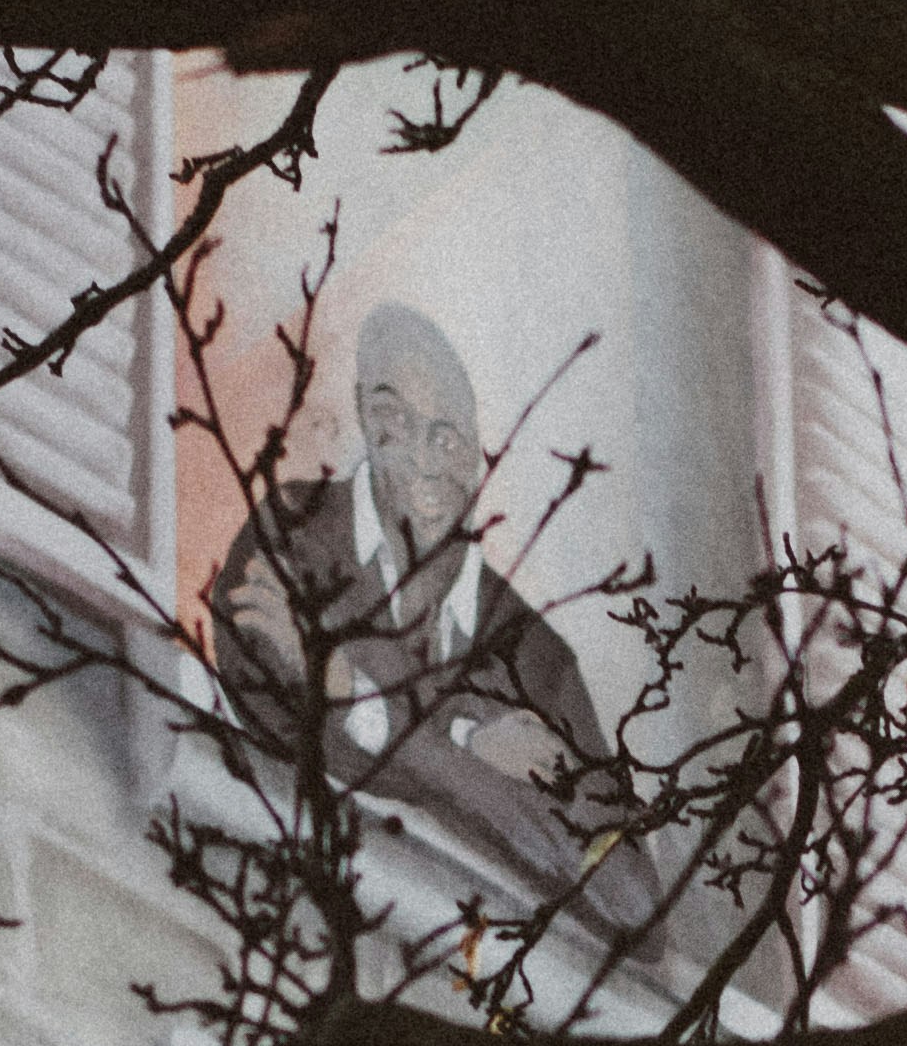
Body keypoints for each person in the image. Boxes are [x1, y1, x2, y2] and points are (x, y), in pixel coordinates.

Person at [203, 302, 620, 890]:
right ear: (363, 418)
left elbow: (628, 896)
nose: (425, 458)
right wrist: (474, 753)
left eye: (448, 437)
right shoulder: (291, 538)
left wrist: (355, 698)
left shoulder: (538, 659)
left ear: (478, 448)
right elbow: (288, 732)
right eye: (393, 419)